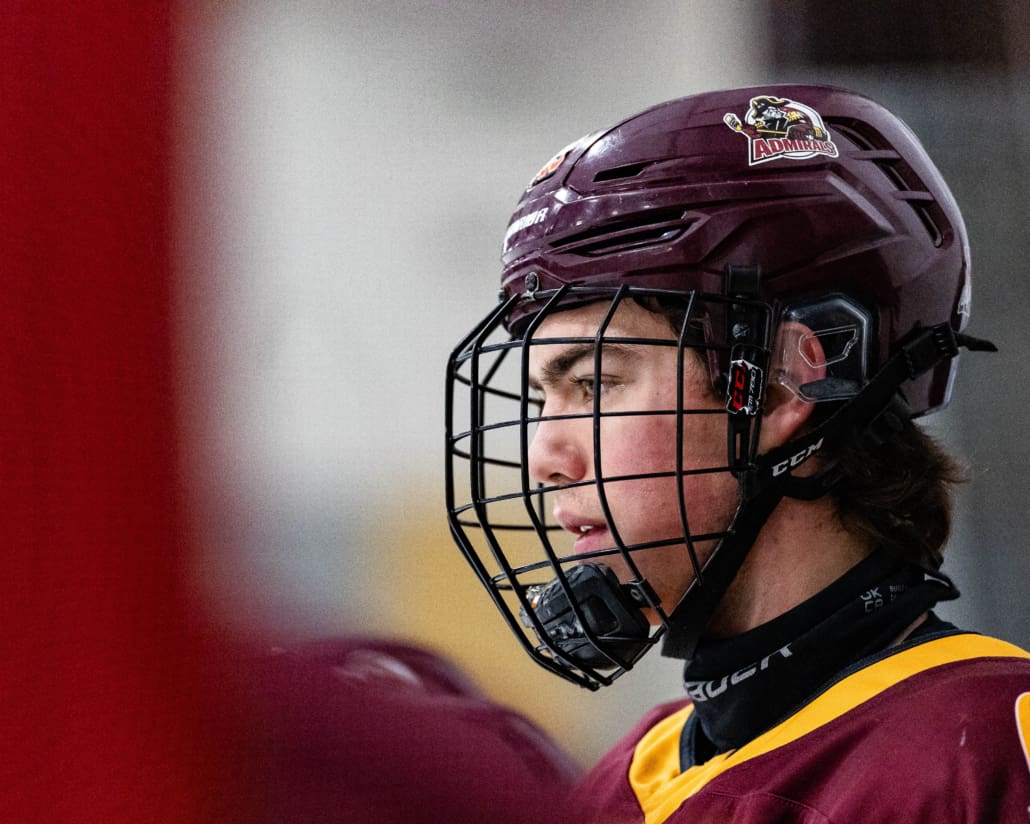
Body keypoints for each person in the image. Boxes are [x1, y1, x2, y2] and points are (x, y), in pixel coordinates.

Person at [445, 84, 1030, 822]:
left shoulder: (989, 749)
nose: (546, 457)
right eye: (540, 400)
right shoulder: (624, 780)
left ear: (788, 385)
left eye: (595, 384)